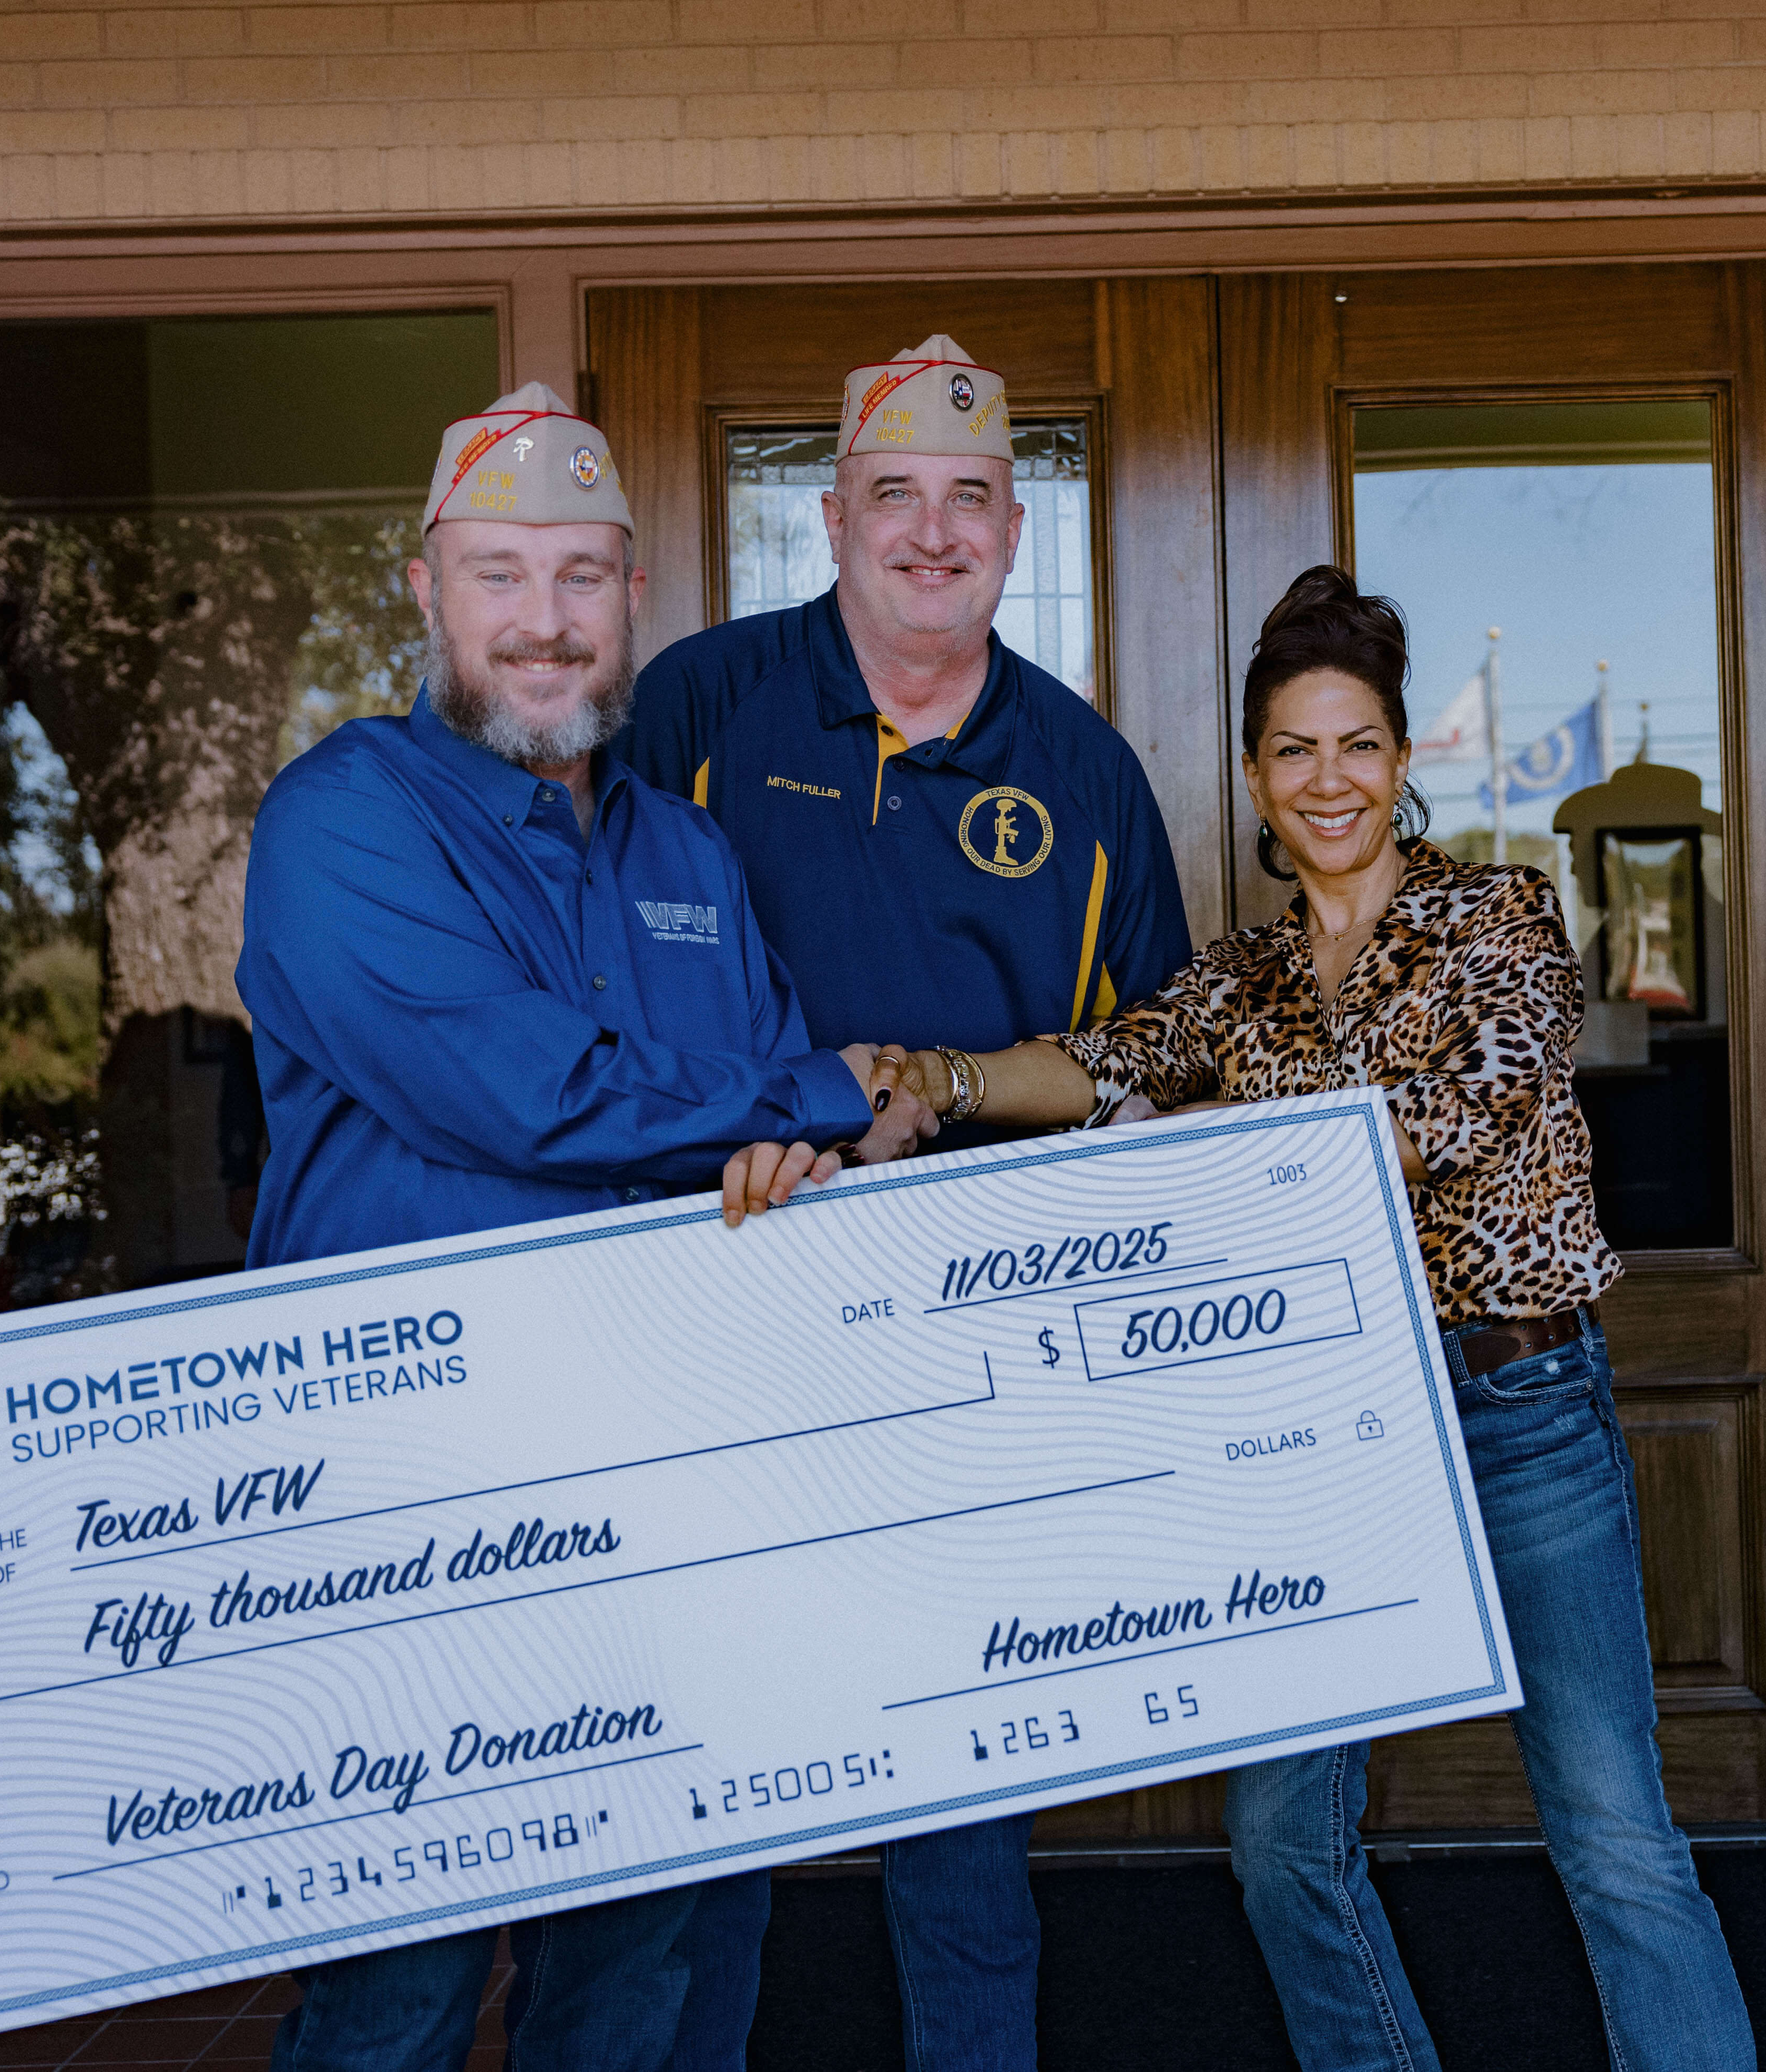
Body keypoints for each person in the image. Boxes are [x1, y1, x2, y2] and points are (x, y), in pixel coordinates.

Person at [835, 565, 1759, 2072]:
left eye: (1358, 747)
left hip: (1519, 1414)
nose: (1328, 782)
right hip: (1327, 1436)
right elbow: (1101, 1057)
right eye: (1296, 751)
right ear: (1258, 775)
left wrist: (1204, 1138)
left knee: (1614, 1835)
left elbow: (1451, 1118)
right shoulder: (1244, 980)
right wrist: (940, 1079)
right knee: (1279, 1840)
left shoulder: (1501, 918)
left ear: (1400, 765)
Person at [237, 382, 930, 2072]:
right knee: (397, 1996)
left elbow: (770, 1131)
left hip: (659, 1516)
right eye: (500, 575)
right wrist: (819, 1103)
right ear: (427, 589)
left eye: (580, 577)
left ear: (635, 596)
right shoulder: (342, 824)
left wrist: (799, 1149)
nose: (542, 623)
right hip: (411, 1521)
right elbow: (520, 1092)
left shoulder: (686, 849)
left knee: (636, 1973)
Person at [622, 334, 1192, 2072]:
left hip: (968, 1365)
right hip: (719, 1331)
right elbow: (598, 982)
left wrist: (944, 1099)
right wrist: (781, 1108)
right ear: (833, 517)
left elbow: (1159, 1072)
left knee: (963, 1823)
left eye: (968, 502)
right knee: (695, 1817)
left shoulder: (1085, 774)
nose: (931, 536)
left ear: (1017, 528)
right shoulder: (702, 706)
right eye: (895, 498)